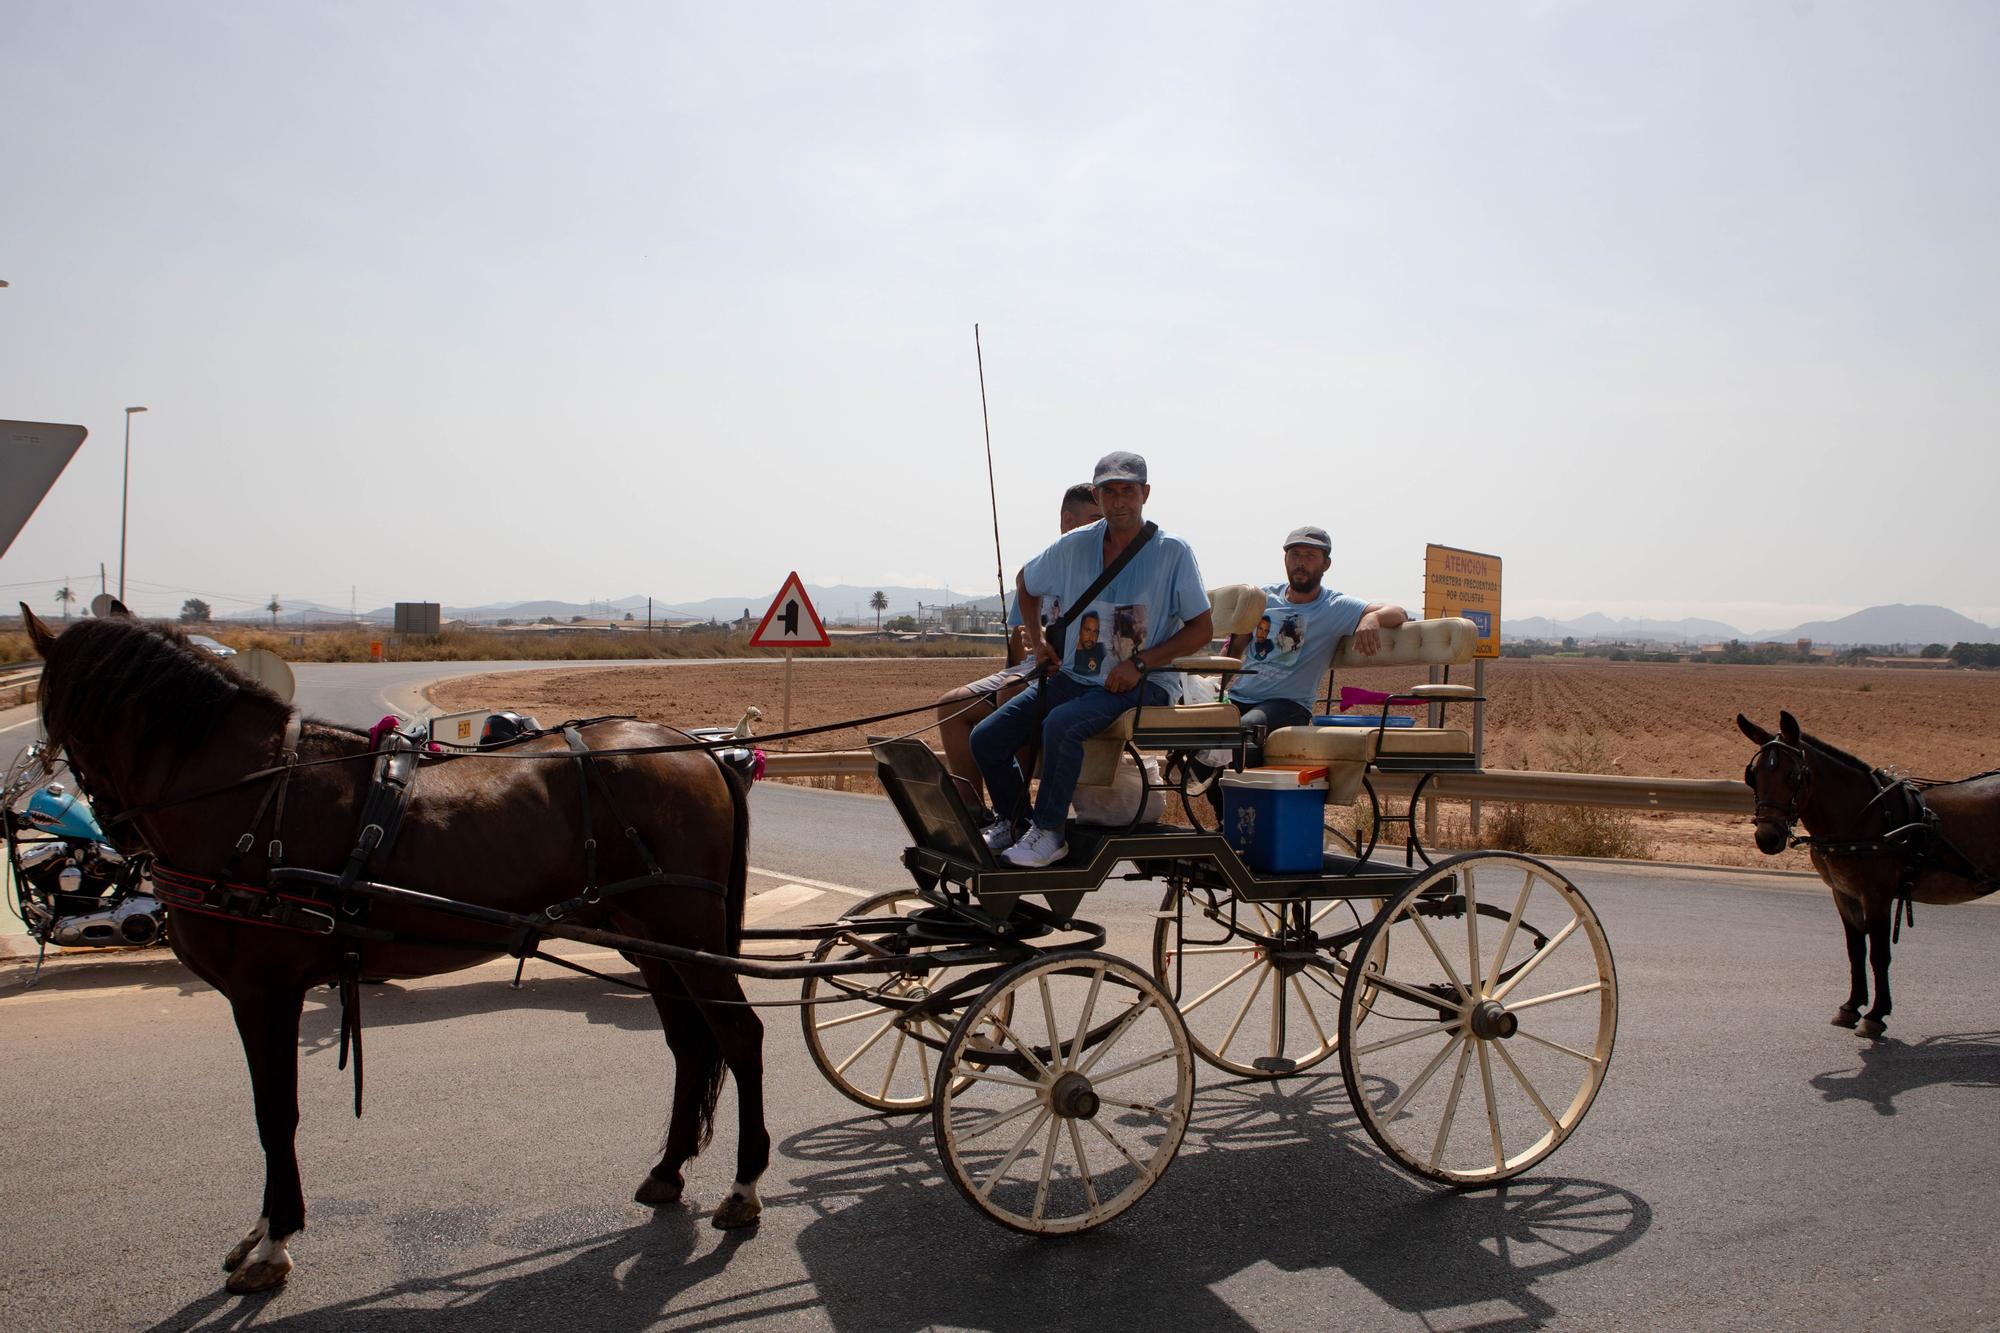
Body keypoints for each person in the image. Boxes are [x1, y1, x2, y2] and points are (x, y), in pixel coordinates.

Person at [972, 451, 1214, 868]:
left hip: (1146, 683)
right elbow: (1025, 585)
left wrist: (1140, 663)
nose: (1119, 501)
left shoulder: (1173, 552)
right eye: (1109, 492)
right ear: (1098, 497)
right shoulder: (1073, 546)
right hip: (1077, 677)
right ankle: (1015, 821)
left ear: (1145, 494)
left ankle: (1050, 832)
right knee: (987, 738)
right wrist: (1039, 640)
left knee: (1061, 724)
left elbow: (1202, 629)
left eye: (1128, 491)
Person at [933, 483, 1102, 811]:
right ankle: (970, 810)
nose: (1100, 528)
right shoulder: (1045, 567)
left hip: (1068, 677)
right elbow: (1014, 659)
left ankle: (1013, 812)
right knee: (951, 705)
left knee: (1013, 691)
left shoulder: (1101, 567)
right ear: (1068, 521)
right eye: (1094, 519)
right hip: (1030, 671)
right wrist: (1030, 641)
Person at [1222, 524, 1408, 768]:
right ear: (1285, 559)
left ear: (1326, 564)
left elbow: (1399, 612)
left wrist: (1372, 618)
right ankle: (1223, 802)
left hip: (1287, 704)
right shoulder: (1263, 597)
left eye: (1310, 556)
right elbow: (1234, 650)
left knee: (1247, 731)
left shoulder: (1335, 606)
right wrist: (1215, 691)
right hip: (1240, 696)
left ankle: (1253, 799)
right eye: (1295, 555)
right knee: (1193, 727)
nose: (1301, 562)